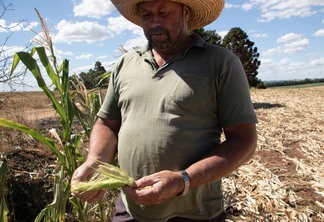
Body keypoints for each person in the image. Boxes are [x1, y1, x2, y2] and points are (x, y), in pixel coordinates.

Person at [71, 0, 258, 221]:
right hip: (131, 209)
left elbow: (244, 140)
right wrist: (95, 161)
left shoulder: (220, 63)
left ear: (185, 13)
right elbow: (107, 124)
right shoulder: (125, 64)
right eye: (146, 14)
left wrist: (182, 180)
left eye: (163, 12)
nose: (154, 22)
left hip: (195, 213)